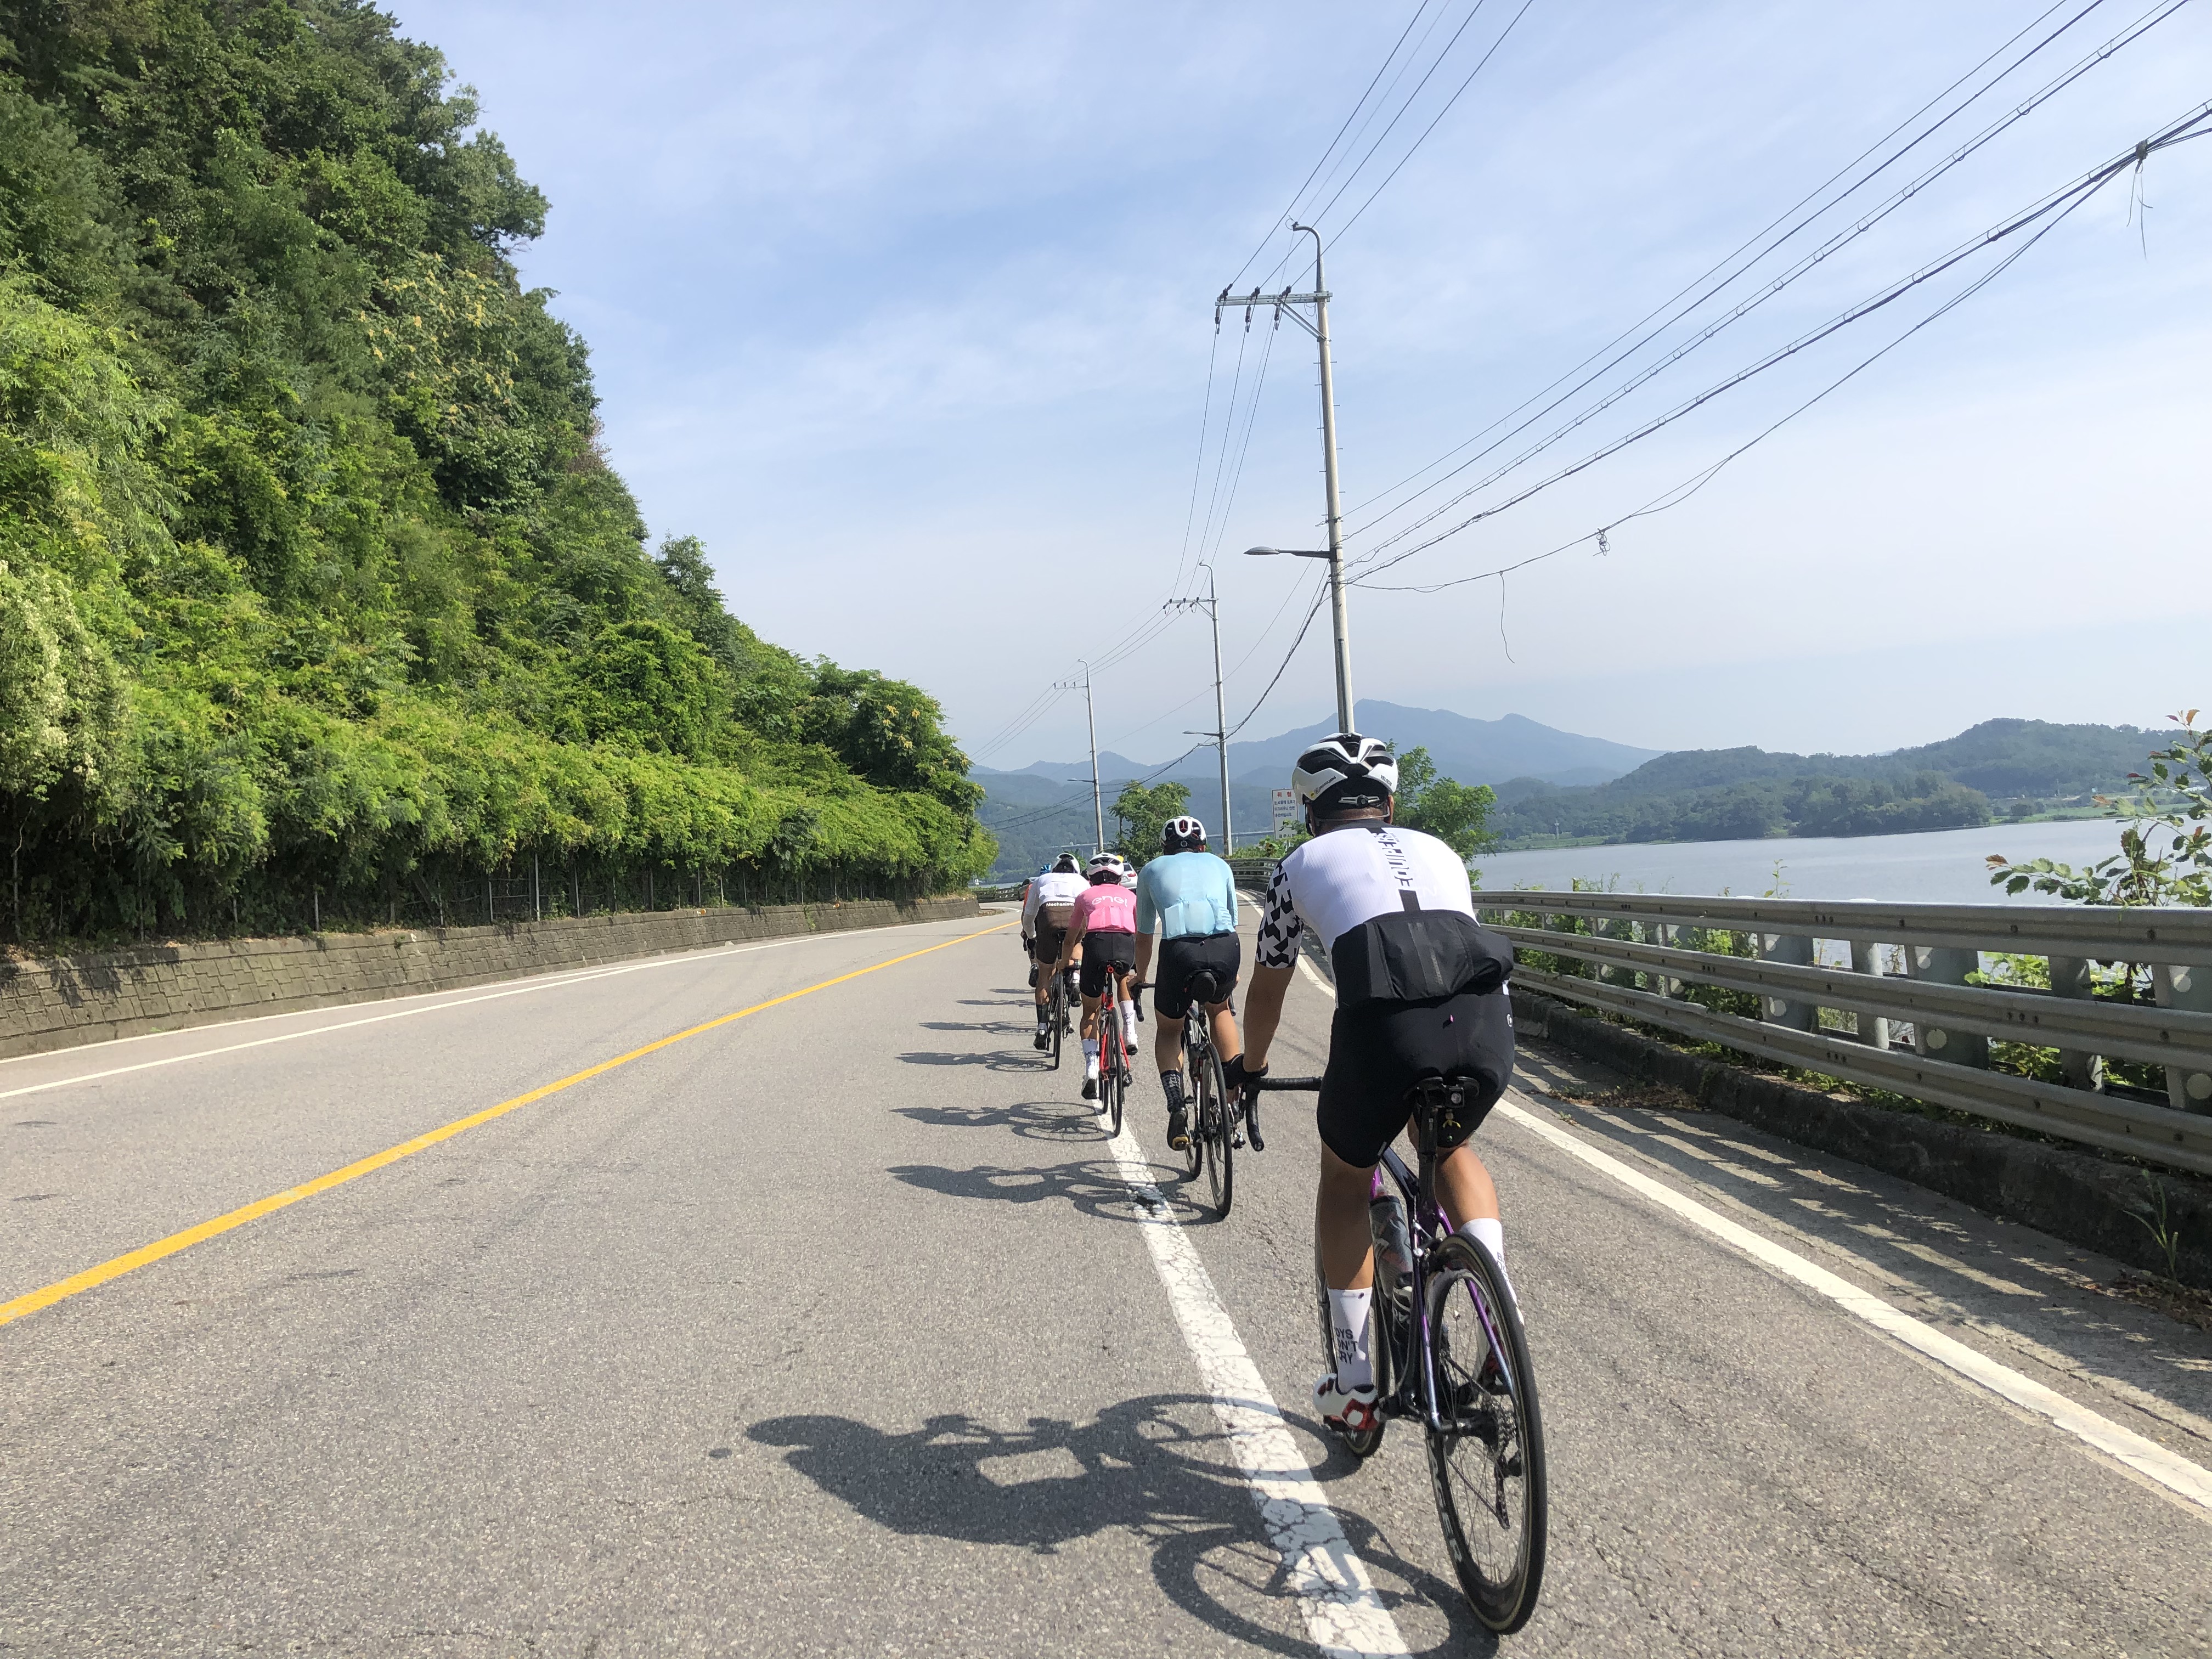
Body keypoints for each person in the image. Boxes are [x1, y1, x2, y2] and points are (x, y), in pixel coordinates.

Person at [1234, 734, 1516, 1439]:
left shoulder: (1296, 866)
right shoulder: (1441, 850)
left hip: (1385, 1029)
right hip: (1484, 1024)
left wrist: (1252, 1069)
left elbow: (1267, 991)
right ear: (1389, 805)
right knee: (1450, 1149)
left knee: (1344, 1179)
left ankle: (1355, 1383)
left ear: (1311, 814)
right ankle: (1500, 1315)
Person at [1132, 814, 1244, 1153]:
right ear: (1203, 846)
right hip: (1226, 948)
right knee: (1220, 1010)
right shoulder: (1220, 865)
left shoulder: (1151, 870)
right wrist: (1233, 976)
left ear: (1165, 848)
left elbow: (1144, 936)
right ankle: (1231, 1103)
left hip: (1179, 952)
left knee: (1170, 1030)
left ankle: (1177, 1105)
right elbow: (1232, 921)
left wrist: (1141, 976)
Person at [1054, 851, 1139, 1100]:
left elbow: (1071, 938)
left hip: (1096, 944)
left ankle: (1091, 1067)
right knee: (1123, 979)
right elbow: (1137, 931)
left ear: (1091, 878)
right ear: (1119, 878)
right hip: (1124, 944)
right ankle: (1130, 1031)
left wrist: (1063, 963)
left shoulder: (1085, 896)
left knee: (1090, 1013)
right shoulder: (1130, 896)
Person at [1022, 853, 1088, 1049]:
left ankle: (1042, 1027)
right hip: (1073, 920)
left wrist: (1032, 937)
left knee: (1045, 974)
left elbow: (1028, 916)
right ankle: (1075, 978)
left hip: (1048, 921)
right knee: (1077, 941)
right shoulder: (1082, 881)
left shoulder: (1041, 881)